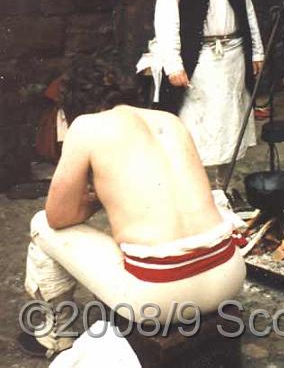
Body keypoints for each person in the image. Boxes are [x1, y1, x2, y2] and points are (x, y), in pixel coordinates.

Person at [22, 56, 247, 358]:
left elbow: (57, 217)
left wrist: (97, 198)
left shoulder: (86, 127)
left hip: (163, 296)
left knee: (40, 225)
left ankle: (55, 337)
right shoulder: (169, 120)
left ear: (72, 105)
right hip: (228, 273)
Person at [149, 0, 264, 192]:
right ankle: (197, 192)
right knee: (199, 126)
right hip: (199, 60)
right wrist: (173, 64)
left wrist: (257, 52)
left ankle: (222, 189)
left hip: (234, 56)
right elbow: (165, 20)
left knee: (229, 124)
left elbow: (247, 9)